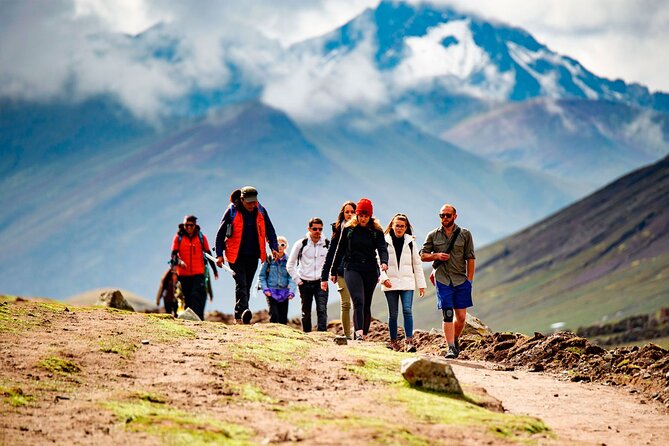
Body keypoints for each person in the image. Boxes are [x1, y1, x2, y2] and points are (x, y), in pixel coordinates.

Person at [215, 187, 279, 324]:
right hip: (235, 255)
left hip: (254, 254)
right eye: (248, 202)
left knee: (247, 285)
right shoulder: (232, 211)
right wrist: (219, 255)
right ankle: (243, 313)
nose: (251, 205)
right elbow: (220, 234)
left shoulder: (261, 210)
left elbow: (270, 230)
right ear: (242, 200)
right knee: (241, 283)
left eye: (253, 202)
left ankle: (240, 315)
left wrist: (274, 247)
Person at [420, 204, 476, 359]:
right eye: (442, 215)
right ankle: (451, 347)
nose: (444, 218)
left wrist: (469, 281)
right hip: (442, 279)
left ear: (455, 216)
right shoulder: (433, 235)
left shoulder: (465, 234)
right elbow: (422, 255)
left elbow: (470, 258)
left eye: (448, 215)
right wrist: (436, 256)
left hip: (460, 280)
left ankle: (455, 339)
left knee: (462, 317)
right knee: (448, 313)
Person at [330, 198, 388, 341]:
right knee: (358, 300)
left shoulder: (376, 231)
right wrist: (333, 270)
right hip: (352, 268)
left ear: (370, 216)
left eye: (365, 216)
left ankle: (364, 334)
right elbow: (340, 250)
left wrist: (384, 262)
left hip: (370, 269)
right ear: (357, 215)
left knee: (366, 303)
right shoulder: (349, 229)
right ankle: (359, 334)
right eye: (360, 215)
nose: (362, 219)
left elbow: (382, 249)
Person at [379, 213, 426, 352]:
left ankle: (409, 342)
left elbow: (417, 264)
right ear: (392, 226)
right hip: (390, 283)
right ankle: (393, 342)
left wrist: (421, 285)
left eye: (402, 226)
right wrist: (384, 278)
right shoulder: (384, 242)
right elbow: (379, 262)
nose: (399, 228)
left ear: (406, 228)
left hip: (407, 283)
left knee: (407, 310)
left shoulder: (411, 242)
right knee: (393, 314)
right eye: (397, 225)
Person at [170, 215, 219, 320]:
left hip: (198, 273)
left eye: (190, 225)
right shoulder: (178, 237)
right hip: (183, 274)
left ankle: (198, 319)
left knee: (196, 295)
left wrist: (214, 270)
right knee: (187, 297)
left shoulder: (201, 237)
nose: (188, 227)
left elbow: (208, 253)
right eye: (186, 225)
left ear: (195, 225)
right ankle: (189, 320)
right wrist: (176, 267)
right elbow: (173, 255)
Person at [321, 201, 356, 338]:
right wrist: (327, 275)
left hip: (358, 270)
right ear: (343, 213)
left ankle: (358, 333)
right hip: (341, 271)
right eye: (347, 212)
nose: (349, 214)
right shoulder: (337, 229)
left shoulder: (362, 229)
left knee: (358, 303)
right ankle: (347, 336)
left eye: (352, 212)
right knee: (346, 304)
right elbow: (331, 253)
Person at [287, 218, 330, 332]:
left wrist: (328, 276)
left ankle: (322, 336)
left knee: (322, 309)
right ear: (309, 229)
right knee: (306, 312)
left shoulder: (327, 244)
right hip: (304, 282)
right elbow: (290, 264)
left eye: (320, 229)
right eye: (314, 229)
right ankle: (307, 335)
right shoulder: (301, 244)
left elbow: (331, 262)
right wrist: (298, 280)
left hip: (321, 282)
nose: (317, 231)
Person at [259, 236, 295, 324]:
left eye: (282, 244)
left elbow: (292, 277)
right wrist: (265, 289)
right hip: (271, 292)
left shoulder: (289, 261)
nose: (279, 246)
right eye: (277, 244)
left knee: (283, 319)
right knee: (274, 315)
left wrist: (292, 291)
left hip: (284, 293)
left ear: (286, 246)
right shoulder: (269, 259)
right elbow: (262, 276)